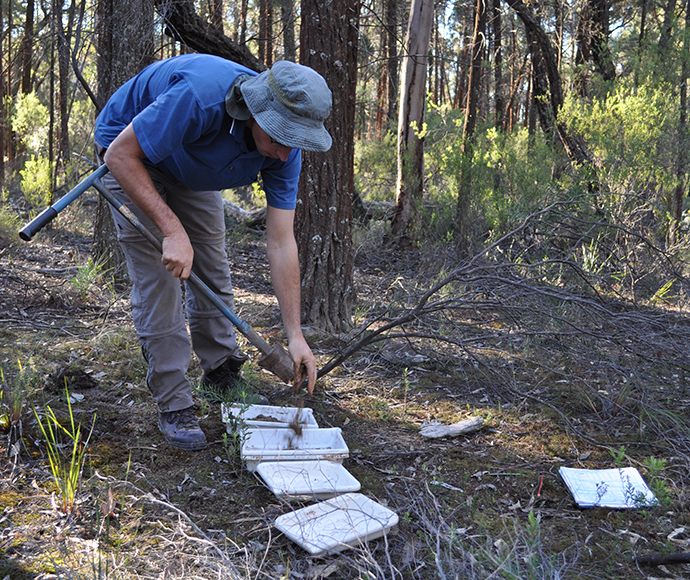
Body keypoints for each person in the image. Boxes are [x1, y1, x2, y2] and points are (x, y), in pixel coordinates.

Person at [93, 54, 331, 451]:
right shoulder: (200, 98)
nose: (286, 154)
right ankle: (175, 402)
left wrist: (295, 334)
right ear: (257, 111)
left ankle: (221, 372)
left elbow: (281, 241)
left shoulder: (286, 148)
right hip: (130, 153)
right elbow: (119, 155)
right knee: (161, 280)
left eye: (295, 142)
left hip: (191, 166)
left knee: (211, 269)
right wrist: (171, 230)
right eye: (279, 138)